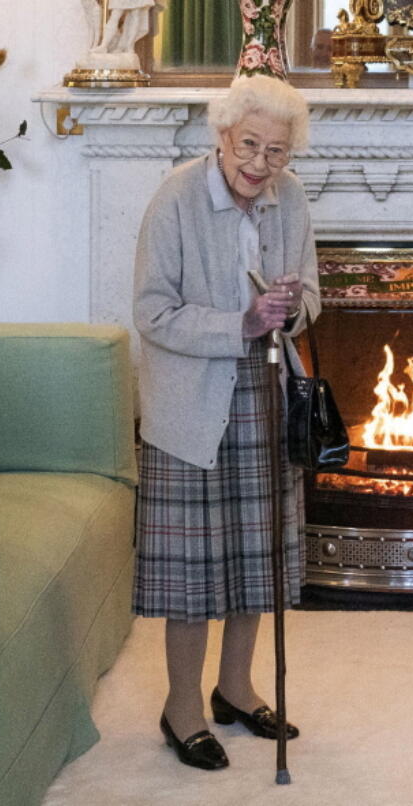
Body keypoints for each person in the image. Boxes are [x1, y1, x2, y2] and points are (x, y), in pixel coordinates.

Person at [132, 74, 318, 771]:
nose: (260, 165)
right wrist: (239, 322)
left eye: (276, 151)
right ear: (222, 135)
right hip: (189, 403)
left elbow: (312, 294)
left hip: (266, 392)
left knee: (254, 556)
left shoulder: (290, 197)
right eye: (250, 146)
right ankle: (181, 708)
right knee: (193, 572)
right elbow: (151, 313)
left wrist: (291, 306)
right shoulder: (177, 197)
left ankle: (234, 689)